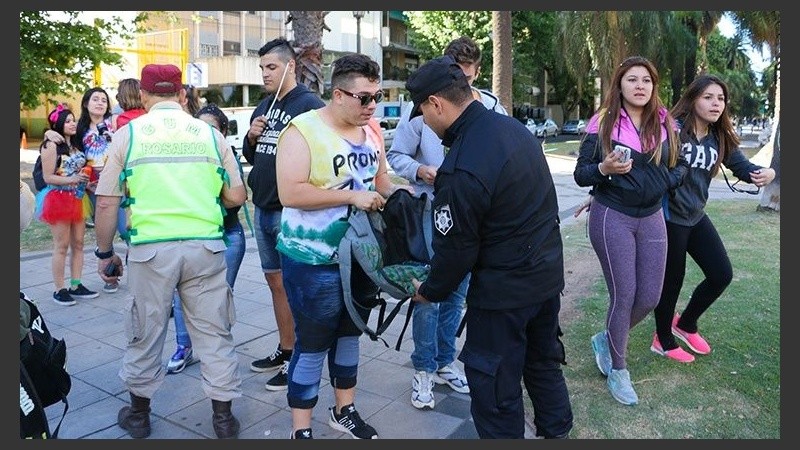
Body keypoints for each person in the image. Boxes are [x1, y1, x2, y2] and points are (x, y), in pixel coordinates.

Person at [407, 55, 572, 439]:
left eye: (422, 113)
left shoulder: (461, 166)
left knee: (495, 388)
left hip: (503, 297)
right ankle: (558, 433)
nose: (424, 123)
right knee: (543, 365)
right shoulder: (513, 130)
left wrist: (429, 291)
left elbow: (456, 251)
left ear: (436, 103)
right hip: (545, 281)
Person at [92, 63, 246, 439]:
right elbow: (237, 195)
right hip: (205, 248)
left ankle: (140, 415)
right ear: (181, 95)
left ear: (143, 96)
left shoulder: (127, 135)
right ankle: (223, 419)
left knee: (146, 331)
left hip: (150, 252)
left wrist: (104, 253)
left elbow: (108, 202)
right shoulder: (210, 135)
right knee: (213, 333)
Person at [275, 53, 407, 440]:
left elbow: (380, 180)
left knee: (350, 335)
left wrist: (406, 197)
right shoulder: (303, 130)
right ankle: (301, 428)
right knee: (313, 342)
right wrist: (351, 197)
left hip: (361, 257)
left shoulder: (372, 132)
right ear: (338, 94)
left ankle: (344, 410)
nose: (372, 105)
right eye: (364, 97)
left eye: (376, 96)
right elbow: (291, 192)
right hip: (311, 258)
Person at [387, 35, 508, 410]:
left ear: (475, 72)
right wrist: (421, 170)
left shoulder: (491, 106)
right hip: (429, 211)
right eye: (455, 70)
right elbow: (396, 155)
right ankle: (422, 368)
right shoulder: (421, 108)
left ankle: (444, 360)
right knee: (429, 291)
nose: (462, 79)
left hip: (471, 215)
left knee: (457, 292)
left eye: (468, 74)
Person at [573, 56, 687, 406]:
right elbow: (582, 173)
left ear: (654, 87)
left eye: (647, 80)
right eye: (632, 79)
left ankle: (606, 339)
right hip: (612, 216)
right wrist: (604, 168)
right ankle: (619, 369)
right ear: (619, 85)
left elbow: (680, 165)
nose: (640, 86)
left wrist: (664, 181)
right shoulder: (602, 122)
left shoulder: (666, 123)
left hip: (651, 217)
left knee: (650, 297)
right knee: (624, 295)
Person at [651, 74, 776, 362]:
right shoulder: (672, 129)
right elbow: (648, 161)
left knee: (721, 274)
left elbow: (743, 167)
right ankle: (663, 339)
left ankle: (685, 324)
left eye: (720, 98)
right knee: (672, 281)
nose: (715, 103)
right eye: (708, 97)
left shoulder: (719, 137)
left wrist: (765, 174)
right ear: (693, 99)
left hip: (695, 215)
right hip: (669, 216)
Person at [242, 37, 325, 390]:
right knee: (275, 283)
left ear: (290, 66)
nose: (264, 74)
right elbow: (253, 157)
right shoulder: (264, 104)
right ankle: (286, 348)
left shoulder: (308, 106)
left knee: (296, 287)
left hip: (290, 212)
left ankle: (302, 360)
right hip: (262, 207)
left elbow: (318, 159)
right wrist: (250, 135)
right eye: (261, 68)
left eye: (271, 67)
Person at [166, 103, 247, 375]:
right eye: (199, 129)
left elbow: (236, 199)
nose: (205, 134)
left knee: (220, 296)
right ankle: (183, 346)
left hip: (227, 236)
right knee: (181, 295)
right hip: (192, 235)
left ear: (223, 131)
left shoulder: (228, 156)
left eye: (211, 128)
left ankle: (218, 351)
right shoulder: (184, 158)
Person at [45, 87, 124, 293]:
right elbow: (62, 139)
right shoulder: (79, 127)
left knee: (124, 228)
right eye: (95, 99)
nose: (100, 103)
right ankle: (110, 276)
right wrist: (49, 131)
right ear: (86, 103)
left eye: (104, 100)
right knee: (102, 231)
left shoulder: (114, 123)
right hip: (91, 186)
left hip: (119, 181)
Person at [34, 104, 98, 306]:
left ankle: (76, 284)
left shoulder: (76, 145)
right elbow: (48, 177)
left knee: (79, 244)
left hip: (78, 198)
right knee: (61, 246)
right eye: (68, 120)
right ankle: (59, 289)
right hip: (58, 199)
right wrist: (73, 180)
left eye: (74, 120)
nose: (72, 123)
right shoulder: (50, 145)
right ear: (58, 123)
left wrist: (88, 184)